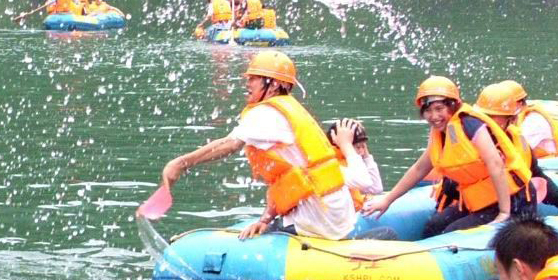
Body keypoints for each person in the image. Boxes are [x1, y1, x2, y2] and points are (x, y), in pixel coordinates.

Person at [157, 51, 356, 240]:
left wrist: (180, 164)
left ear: (274, 84)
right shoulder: (289, 108)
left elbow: (230, 144)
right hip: (337, 214)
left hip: (321, 220)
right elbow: (287, 178)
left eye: (254, 78)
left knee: (250, 240)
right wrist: (265, 220)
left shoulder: (267, 113)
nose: (247, 83)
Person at [363, 77, 533, 236]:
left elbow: (495, 164)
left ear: (453, 106)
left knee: (452, 232)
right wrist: (387, 200)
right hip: (479, 201)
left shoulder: (470, 124)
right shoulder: (441, 133)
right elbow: (419, 169)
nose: (434, 116)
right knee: (434, 226)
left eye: (439, 109)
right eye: (428, 111)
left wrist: (504, 212)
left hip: (513, 200)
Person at [473, 83, 558, 214]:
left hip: (510, 211)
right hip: (481, 206)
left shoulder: (519, 138)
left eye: (491, 117)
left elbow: (536, 174)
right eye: (483, 117)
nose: (484, 121)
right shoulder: (473, 141)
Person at [326, 119, 382, 208]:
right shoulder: (331, 167)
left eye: (363, 146)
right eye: (358, 147)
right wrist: (346, 145)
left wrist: (366, 156)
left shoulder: (350, 162)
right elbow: (365, 181)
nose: (362, 151)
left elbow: (375, 189)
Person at [507, 81, 558, 159]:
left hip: (548, 162)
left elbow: (519, 151)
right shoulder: (521, 118)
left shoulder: (533, 121)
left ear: (519, 103)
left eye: (505, 105)